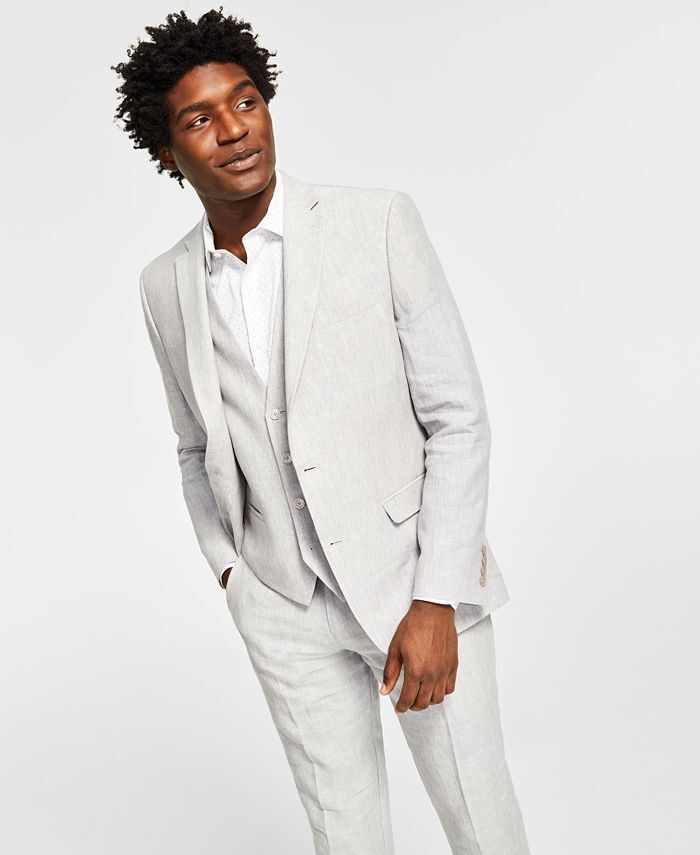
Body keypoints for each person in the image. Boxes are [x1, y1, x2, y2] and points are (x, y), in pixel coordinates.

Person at [112, 9, 531, 854]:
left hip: (412, 584)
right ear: (165, 151)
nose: (235, 129)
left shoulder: (377, 221)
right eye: (200, 118)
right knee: (344, 837)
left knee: (481, 826)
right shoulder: (163, 286)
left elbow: (457, 417)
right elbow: (194, 447)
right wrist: (234, 573)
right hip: (284, 605)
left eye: (246, 102)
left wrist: (437, 597)